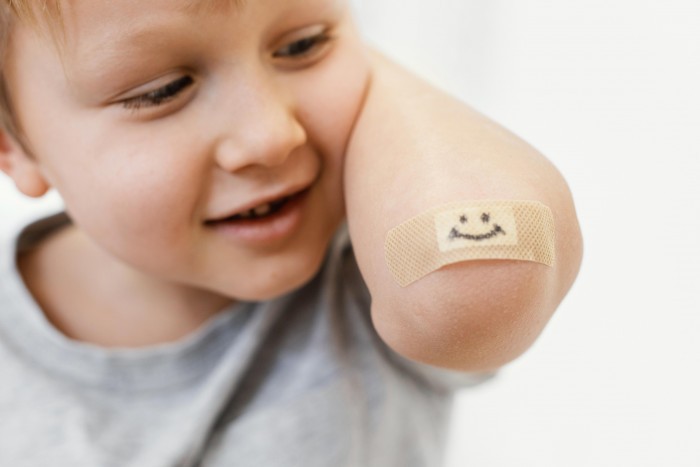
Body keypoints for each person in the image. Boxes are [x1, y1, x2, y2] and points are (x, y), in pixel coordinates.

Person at [0, 0, 583, 466]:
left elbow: (481, 284)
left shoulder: (372, 269)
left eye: (304, 44)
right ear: (13, 143)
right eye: (163, 90)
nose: (270, 136)